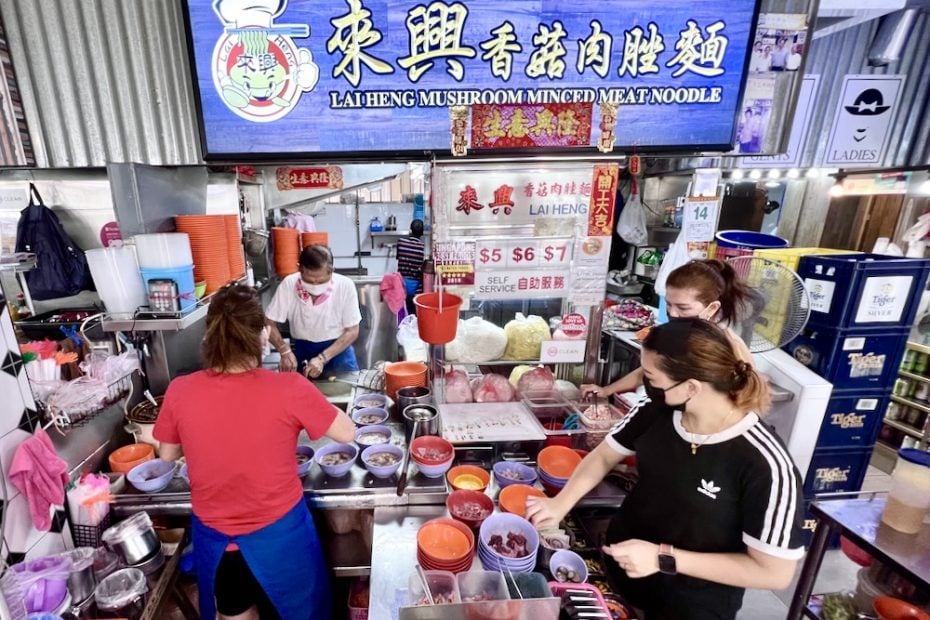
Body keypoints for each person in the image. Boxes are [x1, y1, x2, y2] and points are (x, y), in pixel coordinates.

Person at [528, 318, 804, 620]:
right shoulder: (656, 411)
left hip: (691, 603)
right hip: (622, 570)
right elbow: (604, 456)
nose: (646, 386)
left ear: (691, 387)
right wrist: (560, 504)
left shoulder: (766, 464)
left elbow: (774, 572)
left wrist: (663, 558)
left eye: (650, 377)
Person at [154, 284, 356, 620]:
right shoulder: (289, 388)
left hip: (218, 543)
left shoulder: (180, 389)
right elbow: (347, 433)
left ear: (210, 336)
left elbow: (167, 455)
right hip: (282, 539)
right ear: (262, 336)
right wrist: (311, 407)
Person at [583, 259, 755, 399]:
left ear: (711, 308)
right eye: (669, 304)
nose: (673, 313)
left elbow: (745, 398)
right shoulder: (680, 334)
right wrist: (606, 390)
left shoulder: (727, 346)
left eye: (683, 308)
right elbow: (650, 370)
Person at [266, 244, 362, 378]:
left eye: (321, 281)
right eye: (309, 281)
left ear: (331, 271)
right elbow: (269, 323)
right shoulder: (289, 284)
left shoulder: (345, 286)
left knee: (345, 389)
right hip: (303, 350)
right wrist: (284, 350)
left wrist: (322, 358)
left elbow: (352, 331)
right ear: (299, 269)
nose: (315, 286)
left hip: (338, 352)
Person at [396, 219, 427, 313]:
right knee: (413, 313)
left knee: (402, 313)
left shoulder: (401, 242)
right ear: (422, 233)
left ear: (410, 230)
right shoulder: (421, 247)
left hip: (401, 283)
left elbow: (398, 257)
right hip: (415, 286)